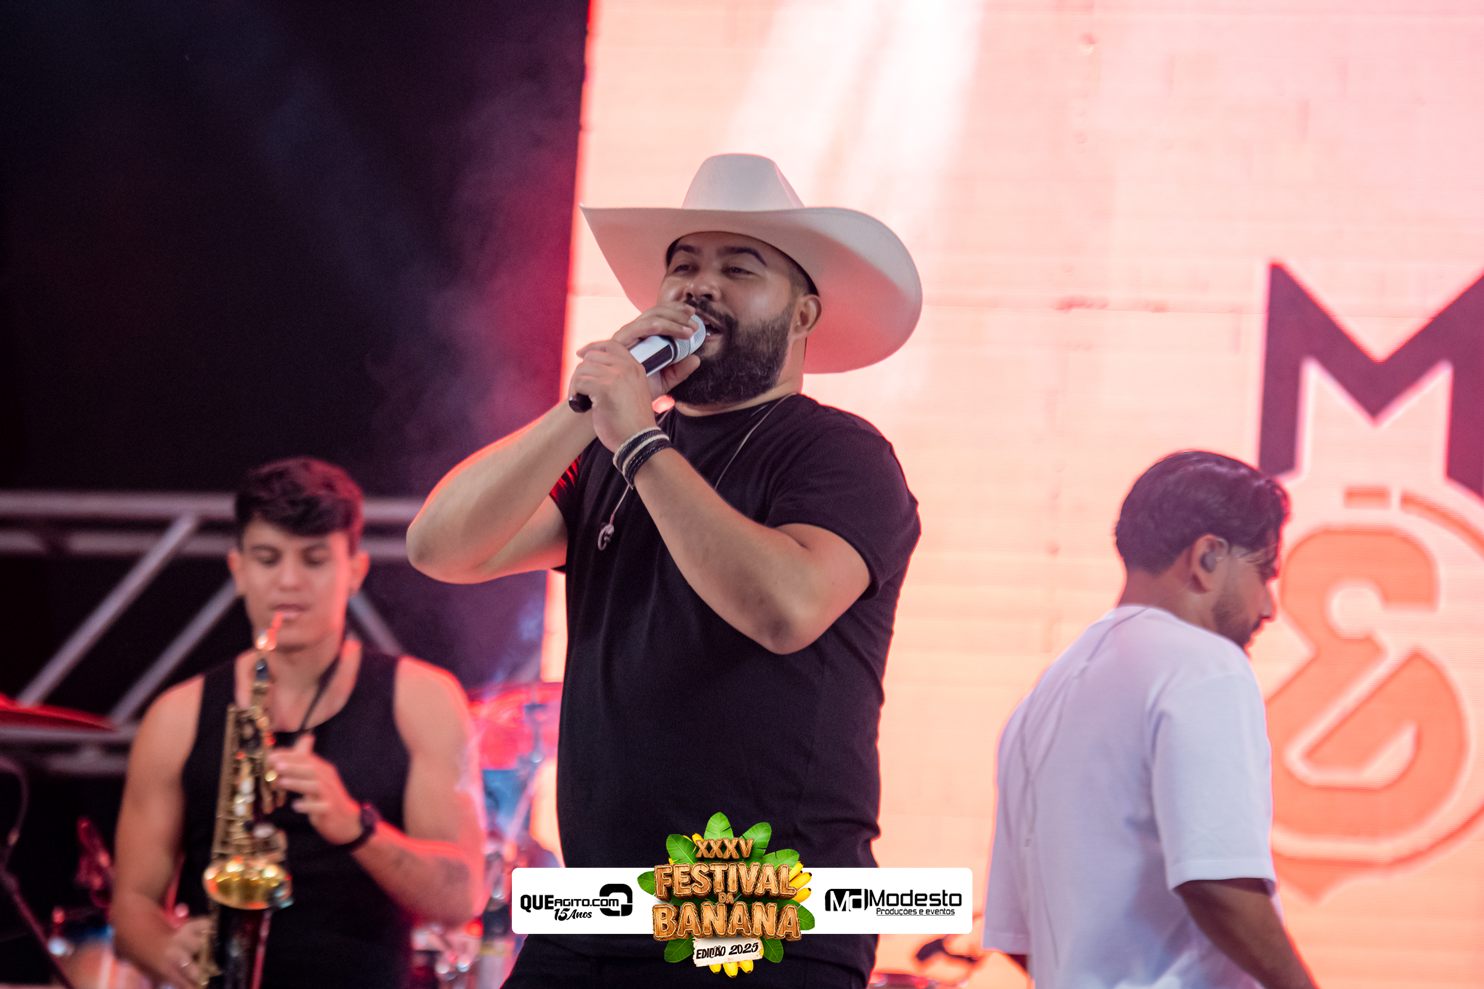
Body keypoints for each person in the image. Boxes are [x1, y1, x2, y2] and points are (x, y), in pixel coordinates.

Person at [408, 154, 923, 987]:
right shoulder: (610, 452)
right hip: (597, 905)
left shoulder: (838, 453)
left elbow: (786, 607)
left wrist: (640, 442)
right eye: (682, 266)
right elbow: (441, 546)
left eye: (738, 268)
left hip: (759, 900)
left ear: (803, 313)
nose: (699, 286)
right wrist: (585, 408)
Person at [112, 457, 486, 989]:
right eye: (268, 559)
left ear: (354, 571)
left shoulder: (424, 699)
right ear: (238, 570)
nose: (289, 582)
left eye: (314, 560)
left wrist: (358, 828)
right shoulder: (175, 716)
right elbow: (130, 905)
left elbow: (461, 897)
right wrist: (163, 948)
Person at [982, 451, 1319, 989]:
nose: (1268, 607)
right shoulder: (1206, 666)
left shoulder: (1040, 700)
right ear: (1207, 556)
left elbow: (1017, 936)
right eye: (1264, 573)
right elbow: (1217, 883)